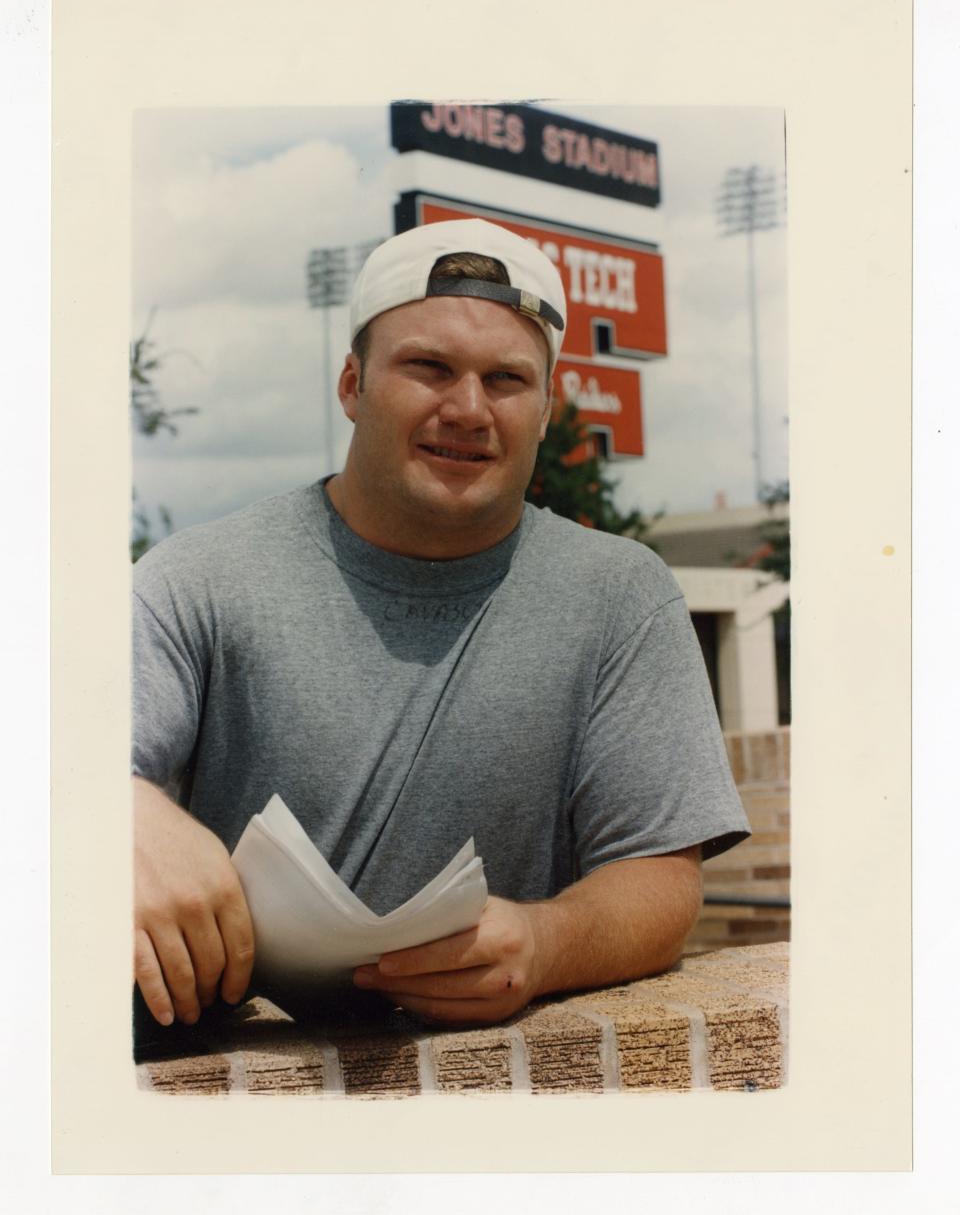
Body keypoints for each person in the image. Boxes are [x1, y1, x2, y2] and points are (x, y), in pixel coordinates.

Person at [133, 217, 750, 1034]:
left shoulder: (621, 594)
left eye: (506, 379)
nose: (467, 407)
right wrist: (122, 808)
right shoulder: (197, 577)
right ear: (352, 384)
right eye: (428, 367)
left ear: (546, 408)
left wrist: (543, 941)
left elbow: (662, 881)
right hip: (233, 1088)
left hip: (497, 1098)